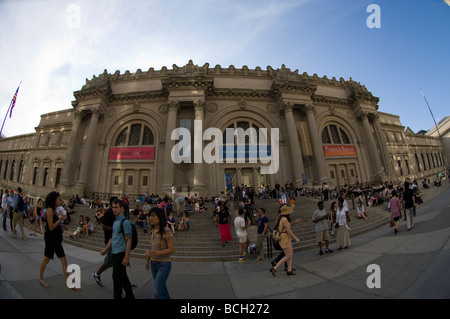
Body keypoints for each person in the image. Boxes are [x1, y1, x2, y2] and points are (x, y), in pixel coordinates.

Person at [38, 191, 80, 290]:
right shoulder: (50, 210)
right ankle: (40, 278)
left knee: (63, 260)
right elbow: (51, 227)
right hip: (51, 239)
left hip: (56, 239)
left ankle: (69, 283)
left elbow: (53, 224)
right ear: (54, 200)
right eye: (59, 199)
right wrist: (61, 219)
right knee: (47, 259)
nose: (61, 201)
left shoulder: (54, 210)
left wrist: (61, 225)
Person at [100, 198, 135, 299]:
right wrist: (105, 250)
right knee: (122, 277)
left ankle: (117, 296)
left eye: (116, 207)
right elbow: (112, 238)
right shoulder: (116, 222)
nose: (114, 209)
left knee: (116, 278)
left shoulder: (125, 222)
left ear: (122, 208)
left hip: (121, 254)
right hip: (114, 253)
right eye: (112, 207)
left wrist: (126, 258)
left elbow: (129, 240)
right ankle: (130, 295)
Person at [145, 207, 175, 299]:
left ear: (160, 217)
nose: (151, 218)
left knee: (156, 291)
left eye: (153, 216)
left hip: (164, 264)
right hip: (154, 263)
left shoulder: (167, 231)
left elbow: (171, 249)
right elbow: (152, 247)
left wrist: (157, 253)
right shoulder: (153, 231)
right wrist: (147, 259)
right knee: (162, 289)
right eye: (150, 216)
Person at [92, 196, 118, 287]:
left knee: (120, 262)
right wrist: (115, 229)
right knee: (109, 261)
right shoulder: (108, 212)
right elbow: (104, 226)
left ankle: (124, 281)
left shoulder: (115, 213)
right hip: (109, 240)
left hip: (116, 240)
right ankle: (97, 274)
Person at [269, 205, 300, 276]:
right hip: (285, 237)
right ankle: (275, 268)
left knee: (289, 254)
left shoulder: (280, 218)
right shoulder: (284, 220)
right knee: (288, 256)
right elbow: (288, 230)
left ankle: (289, 270)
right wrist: (295, 238)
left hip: (284, 237)